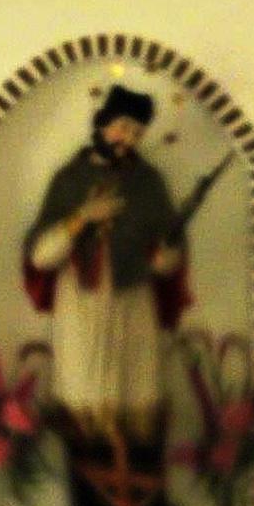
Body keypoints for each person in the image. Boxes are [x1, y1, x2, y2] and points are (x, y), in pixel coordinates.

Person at [23, 85, 192, 436]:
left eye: (137, 133)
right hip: (80, 305)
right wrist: (81, 217)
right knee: (82, 395)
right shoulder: (69, 180)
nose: (128, 139)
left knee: (135, 396)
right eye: (123, 127)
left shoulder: (148, 182)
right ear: (102, 124)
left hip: (134, 303)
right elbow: (41, 257)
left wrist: (165, 257)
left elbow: (168, 258)